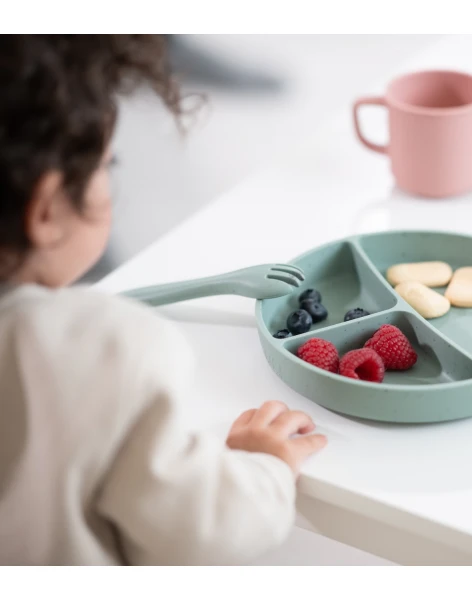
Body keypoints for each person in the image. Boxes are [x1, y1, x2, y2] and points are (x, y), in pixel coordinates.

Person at [0, 35, 326, 565]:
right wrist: (262, 467)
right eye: (108, 164)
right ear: (46, 211)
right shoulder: (104, 348)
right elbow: (207, 527)